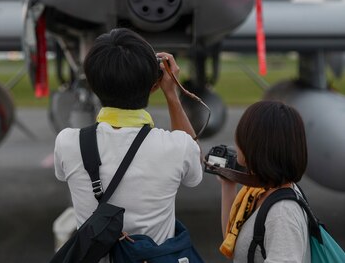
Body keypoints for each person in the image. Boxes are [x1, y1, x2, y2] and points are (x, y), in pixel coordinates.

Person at [54, 27, 202, 255]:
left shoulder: (67, 143)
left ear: (93, 85)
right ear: (154, 85)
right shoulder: (177, 147)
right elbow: (194, 174)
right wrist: (172, 94)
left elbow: (62, 175)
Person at [219, 100, 310, 262]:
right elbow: (234, 243)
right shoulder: (262, 191)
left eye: (242, 135)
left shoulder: (282, 214)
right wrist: (228, 185)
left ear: (256, 145)